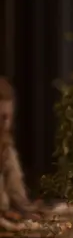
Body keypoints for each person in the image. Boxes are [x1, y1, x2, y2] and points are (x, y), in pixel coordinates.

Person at [0, 78, 35, 218]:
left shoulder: (6, 149)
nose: (5, 125)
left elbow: (19, 199)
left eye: (8, 118)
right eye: (2, 118)